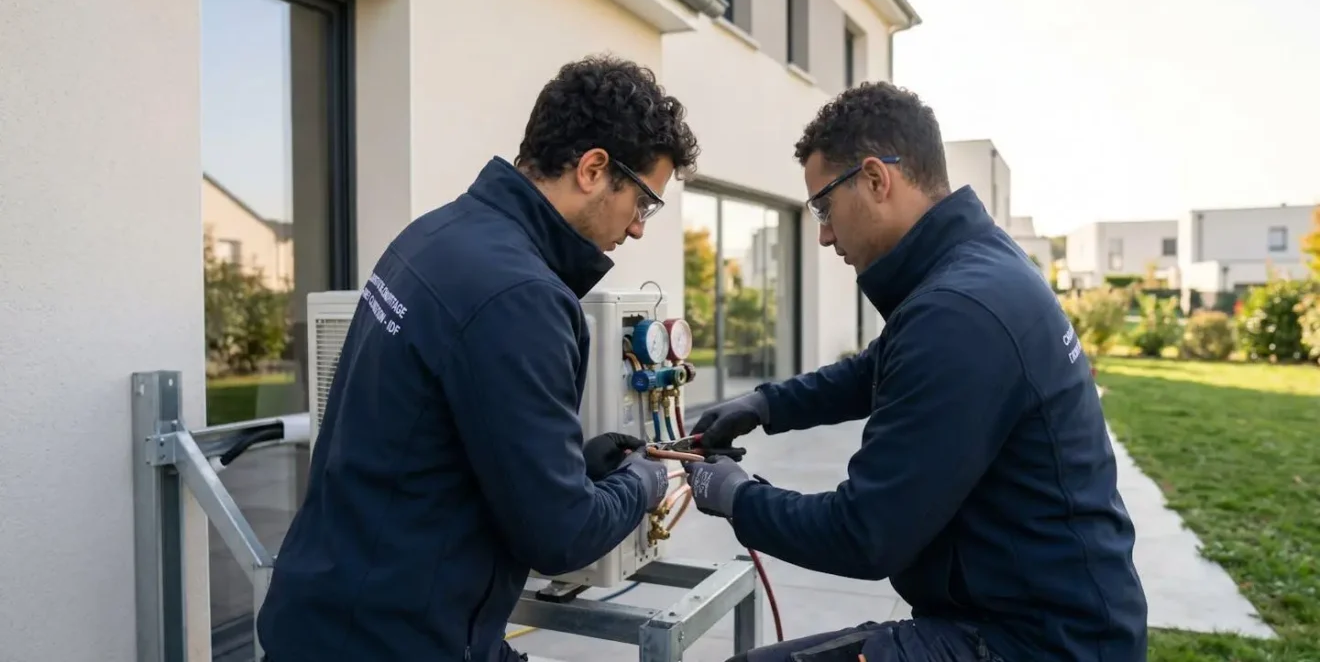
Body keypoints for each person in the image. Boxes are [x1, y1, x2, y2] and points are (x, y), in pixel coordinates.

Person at [682, 82, 1148, 662]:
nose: (824, 234)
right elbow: (875, 370)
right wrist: (767, 404)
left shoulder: (959, 311)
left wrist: (734, 496)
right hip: (1027, 619)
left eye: (824, 207)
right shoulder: (972, 270)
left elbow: (864, 534)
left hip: (1035, 643)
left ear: (877, 179)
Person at [256, 55, 701, 662]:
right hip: (394, 640)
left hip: (332, 611)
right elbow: (561, 536)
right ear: (595, 168)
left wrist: (577, 466)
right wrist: (645, 481)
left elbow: (439, 439)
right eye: (645, 202)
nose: (639, 228)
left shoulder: (435, 236)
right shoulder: (522, 296)